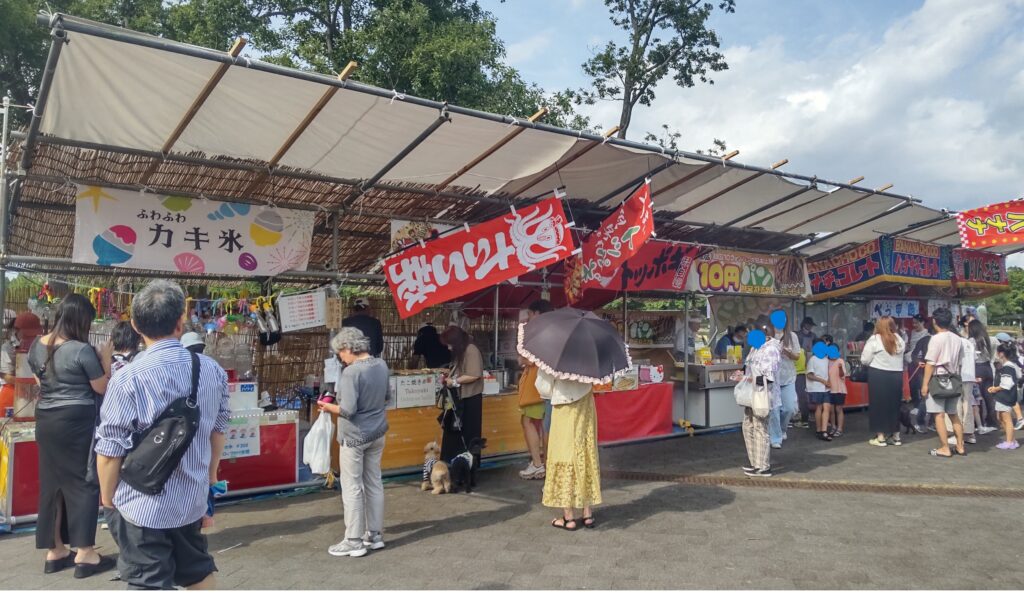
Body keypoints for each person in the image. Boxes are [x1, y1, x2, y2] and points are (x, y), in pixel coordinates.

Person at [95, 280, 230, 589]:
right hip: (191, 499)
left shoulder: (127, 377)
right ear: (180, 322)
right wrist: (208, 483)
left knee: (147, 583)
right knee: (197, 572)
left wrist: (107, 499)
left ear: (134, 324)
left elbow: (109, 449)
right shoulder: (211, 370)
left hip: (141, 503)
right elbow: (218, 432)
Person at [27, 294, 112, 578]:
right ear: (80, 319)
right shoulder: (81, 350)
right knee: (84, 482)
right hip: (77, 422)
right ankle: (85, 553)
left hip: (47, 421)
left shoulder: (36, 346)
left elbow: (42, 383)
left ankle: (56, 550)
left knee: (52, 485)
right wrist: (107, 360)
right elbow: (101, 388)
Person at [317, 327, 391, 557]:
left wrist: (328, 406)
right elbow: (387, 397)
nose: (340, 358)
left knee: (352, 487)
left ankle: (354, 540)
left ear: (349, 348)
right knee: (374, 482)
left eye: (341, 353)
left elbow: (347, 410)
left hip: (354, 437)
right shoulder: (381, 365)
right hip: (378, 432)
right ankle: (375, 535)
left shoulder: (351, 373)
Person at [538, 368, 601, 530]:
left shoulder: (552, 355)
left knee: (563, 455)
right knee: (584, 453)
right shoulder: (588, 353)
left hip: (564, 403)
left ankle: (569, 517)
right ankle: (587, 513)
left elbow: (543, 387)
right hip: (586, 403)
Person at [921, 307, 965, 458]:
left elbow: (931, 363)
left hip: (938, 380)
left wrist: (925, 384)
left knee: (938, 415)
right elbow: (960, 361)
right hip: (953, 378)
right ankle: (960, 446)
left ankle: (945, 447)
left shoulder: (936, 338)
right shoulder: (958, 339)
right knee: (953, 414)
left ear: (935, 321)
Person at [518, 300, 554, 480]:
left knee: (529, 422)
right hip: (549, 387)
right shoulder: (555, 331)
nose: (529, 318)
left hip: (538, 386)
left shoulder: (539, 332)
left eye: (530, 314)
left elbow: (530, 359)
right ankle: (546, 464)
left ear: (538, 313)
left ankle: (539, 464)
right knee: (545, 425)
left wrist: (522, 360)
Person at [440, 326, 484, 461]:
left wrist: (454, 381)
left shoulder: (471, 350)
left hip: (470, 398)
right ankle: (453, 462)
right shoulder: (462, 350)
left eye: (449, 344)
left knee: (468, 433)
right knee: (453, 431)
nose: (448, 348)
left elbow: (474, 374)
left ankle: (467, 466)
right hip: (459, 398)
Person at [861, 317, 906, 447]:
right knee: (894, 406)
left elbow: (865, 359)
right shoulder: (899, 339)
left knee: (878, 406)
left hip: (878, 375)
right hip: (896, 375)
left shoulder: (875, 339)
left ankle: (880, 437)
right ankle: (896, 436)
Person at [741, 330, 780, 477]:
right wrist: (743, 376)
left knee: (760, 427)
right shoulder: (755, 348)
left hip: (763, 395)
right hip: (751, 394)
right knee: (748, 425)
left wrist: (748, 380)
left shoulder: (771, 350)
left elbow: (768, 378)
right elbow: (749, 369)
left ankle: (763, 466)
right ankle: (754, 463)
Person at [769, 321, 799, 449]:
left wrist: (787, 352)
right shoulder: (767, 335)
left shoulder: (792, 336)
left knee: (789, 408)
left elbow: (797, 356)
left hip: (788, 377)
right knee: (774, 410)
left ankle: (782, 429)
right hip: (771, 378)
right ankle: (775, 437)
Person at [988, 343, 1020, 450]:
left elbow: (1007, 383)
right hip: (1005, 396)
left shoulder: (1007, 367)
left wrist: (995, 389)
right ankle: (1011, 439)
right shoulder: (1010, 365)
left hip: (1005, 397)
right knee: (1001, 417)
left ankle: (1009, 441)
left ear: (1001, 353)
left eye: (997, 352)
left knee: (1006, 419)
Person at [970, 320, 999, 434]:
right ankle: (992, 422)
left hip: (977, 368)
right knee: (989, 396)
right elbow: (994, 356)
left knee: (978, 397)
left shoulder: (972, 341)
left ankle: (979, 423)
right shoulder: (991, 339)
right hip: (988, 368)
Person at [908, 322, 935, 433]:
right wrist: (918, 362)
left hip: (939, 372)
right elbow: (914, 354)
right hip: (925, 371)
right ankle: (920, 421)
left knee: (935, 398)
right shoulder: (924, 340)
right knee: (926, 398)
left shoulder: (942, 340)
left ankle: (931, 422)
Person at [994, 332, 1024, 429]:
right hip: (1016, 381)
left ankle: (1017, 420)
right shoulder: (1012, 351)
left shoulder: (1004, 356)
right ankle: (1019, 419)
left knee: (1010, 401)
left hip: (1008, 383)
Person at [806, 338, 832, 442]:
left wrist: (828, 382)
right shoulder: (813, 359)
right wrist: (822, 381)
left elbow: (828, 373)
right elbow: (809, 375)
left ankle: (824, 430)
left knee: (827, 407)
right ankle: (819, 429)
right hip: (816, 387)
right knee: (819, 407)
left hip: (825, 388)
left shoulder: (826, 359)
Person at [827, 344, 847, 437]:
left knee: (838, 409)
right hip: (829, 390)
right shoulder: (826, 361)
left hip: (839, 389)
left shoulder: (840, 361)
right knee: (831, 410)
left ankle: (839, 428)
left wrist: (840, 368)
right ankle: (833, 427)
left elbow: (842, 375)